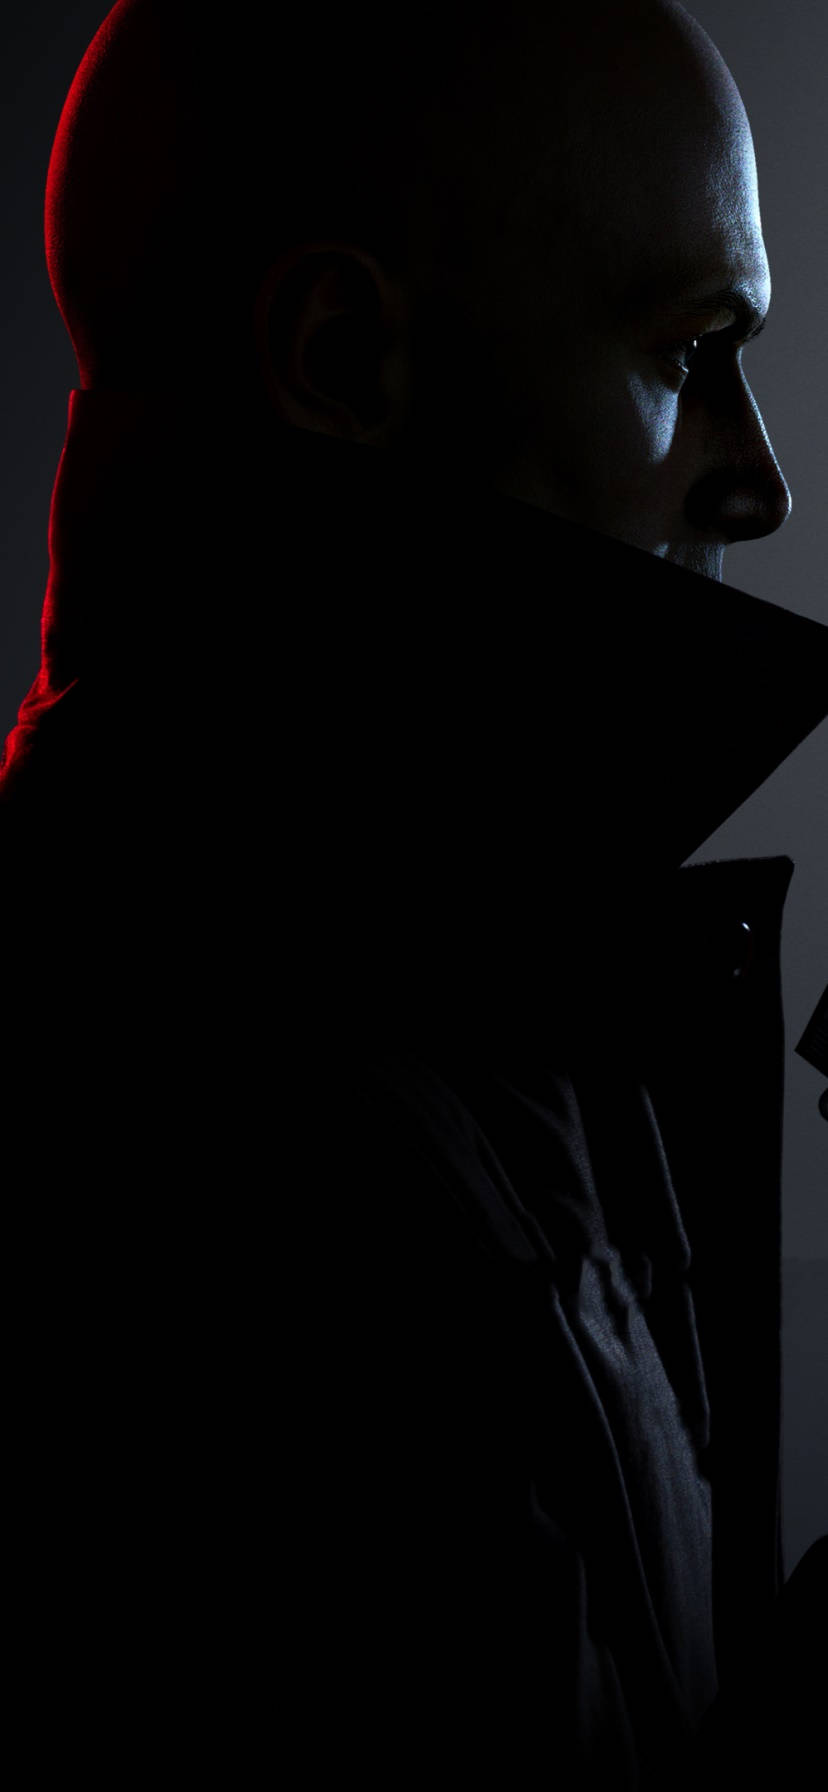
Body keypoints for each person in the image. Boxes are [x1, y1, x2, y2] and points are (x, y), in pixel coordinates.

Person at [2, 1, 826, 1785]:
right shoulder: (153, 1104)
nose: (757, 479)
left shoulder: (493, 992)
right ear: (340, 354)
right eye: (689, 349)